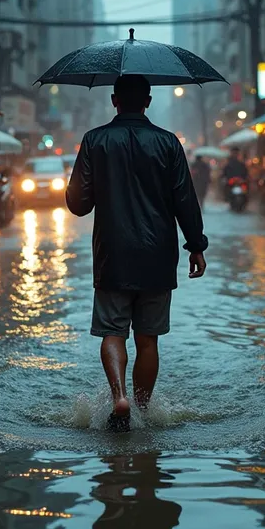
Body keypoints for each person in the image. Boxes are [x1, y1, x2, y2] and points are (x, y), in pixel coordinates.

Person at [66, 74, 208, 432]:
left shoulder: (94, 140)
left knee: (113, 332)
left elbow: (77, 204)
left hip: (113, 254)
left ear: (114, 100)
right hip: (158, 255)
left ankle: (119, 397)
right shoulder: (168, 143)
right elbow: (185, 200)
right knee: (148, 339)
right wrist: (196, 245)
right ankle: (143, 412)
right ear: (148, 101)